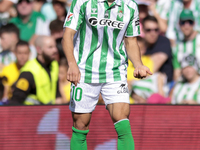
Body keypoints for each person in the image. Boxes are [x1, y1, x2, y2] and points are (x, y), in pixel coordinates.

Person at [62, 0, 152, 150]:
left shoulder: (130, 6)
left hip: (115, 71)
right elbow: (67, 35)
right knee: (80, 125)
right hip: (84, 71)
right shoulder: (82, 2)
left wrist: (138, 64)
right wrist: (72, 64)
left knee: (122, 122)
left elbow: (131, 41)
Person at [9, 36, 61, 105]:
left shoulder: (54, 65)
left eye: (55, 46)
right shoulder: (29, 71)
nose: (55, 50)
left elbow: (56, 92)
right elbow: (15, 100)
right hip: (32, 113)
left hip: (49, 113)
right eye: (50, 47)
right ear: (39, 50)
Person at [142, 15, 173, 83]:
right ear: (142, 30)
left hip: (165, 84)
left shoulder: (164, 41)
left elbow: (149, 71)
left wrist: (132, 81)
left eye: (156, 30)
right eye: (148, 30)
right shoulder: (140, 45)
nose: (153, 33)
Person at [173, 9, 200, 81]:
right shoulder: (177, 47)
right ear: (179, 24)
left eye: (190, 22)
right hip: (187, 85)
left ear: (194, 23)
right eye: (183, 22)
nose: (186, 26)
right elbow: (177, 74)